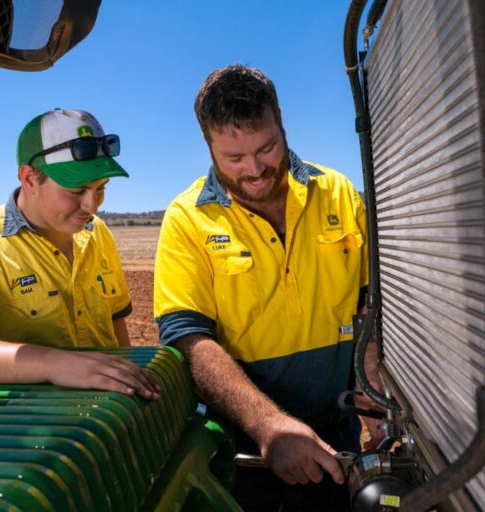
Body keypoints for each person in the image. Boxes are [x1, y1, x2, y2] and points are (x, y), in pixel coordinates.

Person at [153, 65, 381, 510]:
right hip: (239, 449)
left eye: (267, 148)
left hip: (335, 436)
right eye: (234, 159)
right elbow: (188, 337)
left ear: (281, 121)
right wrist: (268, 425)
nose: (255, 170)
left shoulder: (337, 193)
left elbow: (372, 304)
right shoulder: (186, 219)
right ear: (208, 145)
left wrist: (377, 404)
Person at [0, 108, 159, 401]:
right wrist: (53, 363)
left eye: (101, 188)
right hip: (26, 424)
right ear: (29, 178)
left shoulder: (97, 233)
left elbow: (116, 323)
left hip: (102, 418)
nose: (92, 205)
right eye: (77, 190)